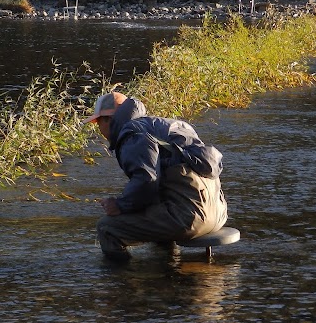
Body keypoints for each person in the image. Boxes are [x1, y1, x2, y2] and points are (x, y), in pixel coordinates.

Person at [83, 91, 228, 261]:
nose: (99, 129)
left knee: (106, 228)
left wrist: (119, 205)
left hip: (190, 219)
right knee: (154, 206)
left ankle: (125, 281)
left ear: (108, 120)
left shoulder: (132, 134)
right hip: (218, 215)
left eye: (98, 122)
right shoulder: (167, 125)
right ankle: (166, 271)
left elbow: (146, 181)